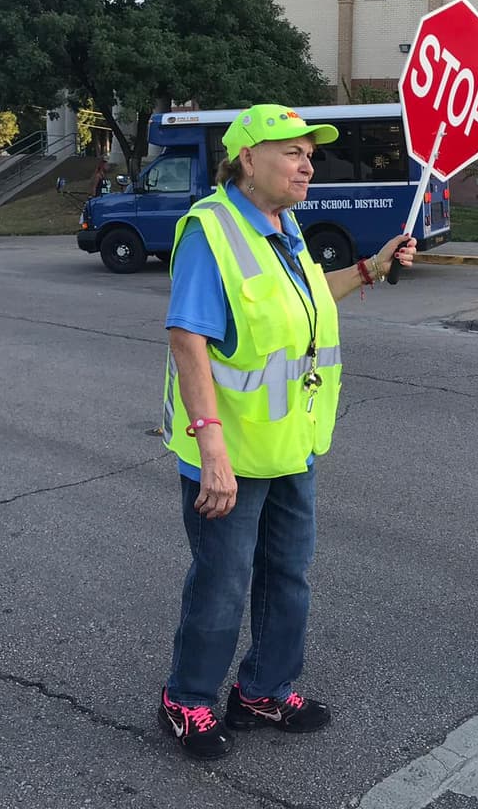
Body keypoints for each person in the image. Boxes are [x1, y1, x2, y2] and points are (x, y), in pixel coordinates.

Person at [158, 104, 417, 760]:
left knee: (288, 575)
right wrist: (211, 448)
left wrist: (370, 268)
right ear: (249, 158)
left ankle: (263, 690)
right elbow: (188, 340)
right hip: (231, 453)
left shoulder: (285, 225)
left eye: (310, 151)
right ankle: (186, 699)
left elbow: (305, 297)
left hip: (290, 445)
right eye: (292, 152)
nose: (308, 163)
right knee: (222, 582)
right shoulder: (210, 230)